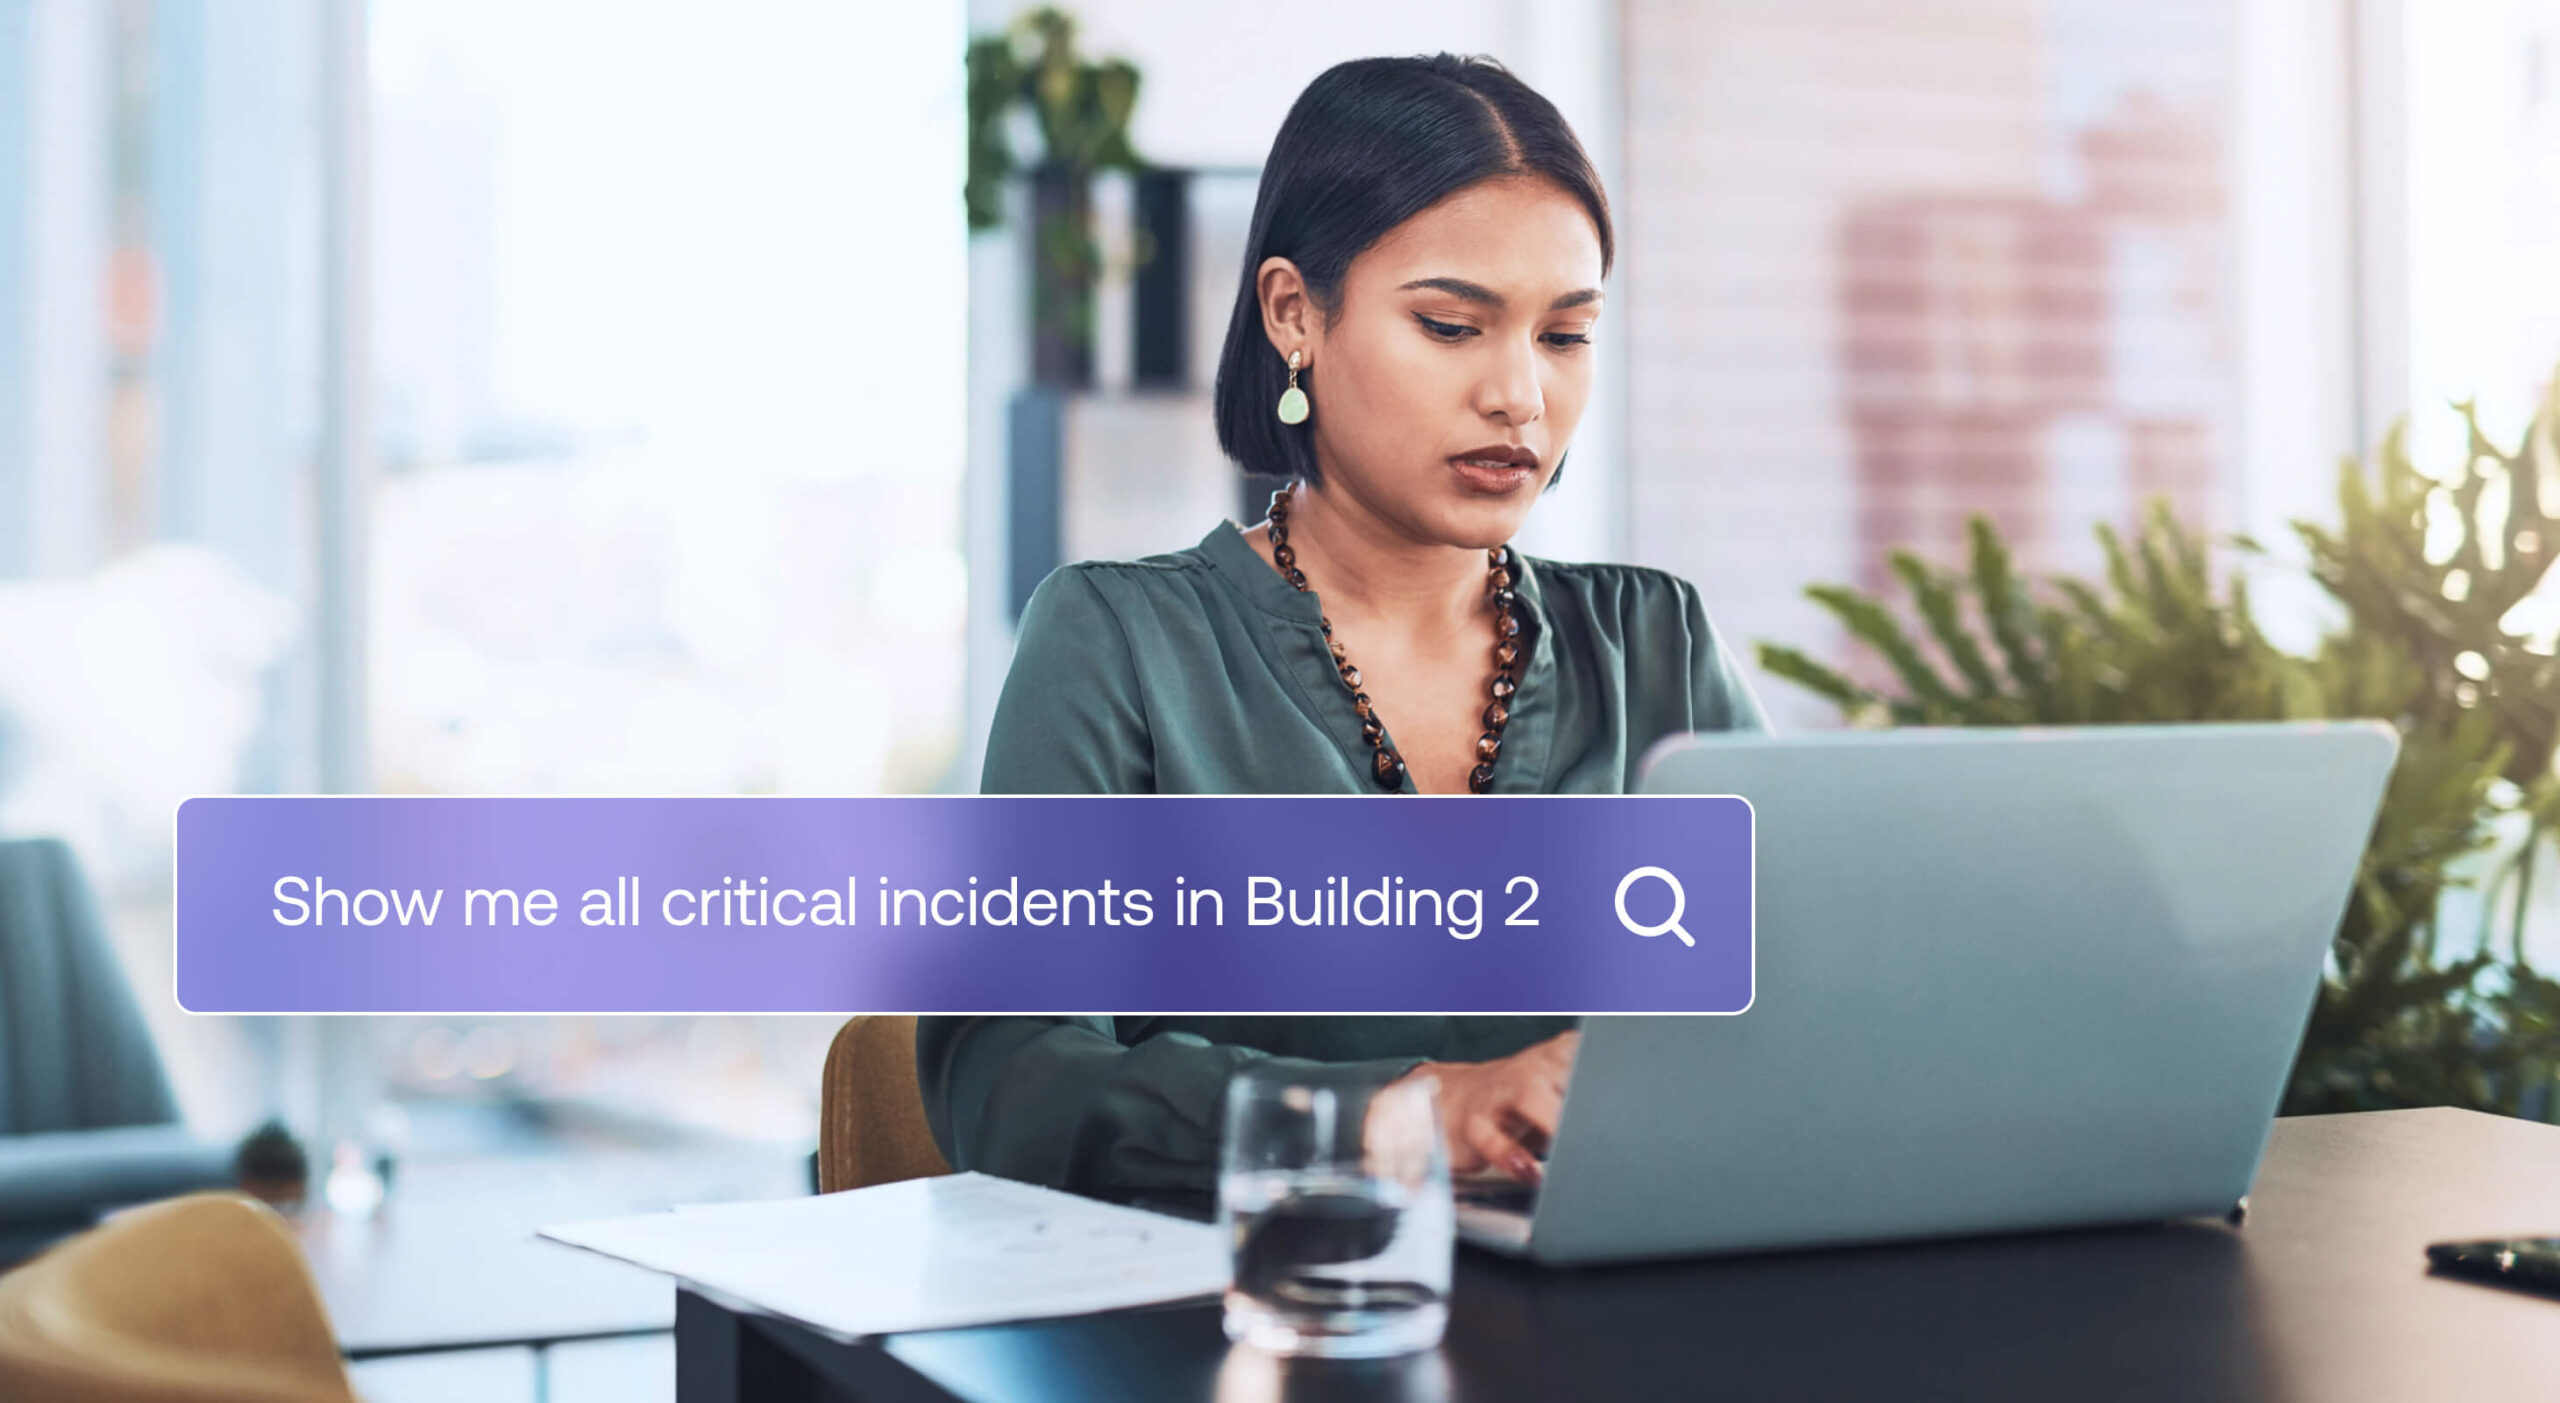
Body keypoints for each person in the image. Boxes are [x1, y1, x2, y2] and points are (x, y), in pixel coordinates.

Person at [920, 53, 1765, 1208]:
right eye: (1452, 324)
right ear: (1291, 314)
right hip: (1250, 1336)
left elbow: (1806, 1011)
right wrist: (1409, 1116)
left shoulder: (1653, 640)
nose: (1520, 395)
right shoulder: (1120, 641)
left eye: (1563, 337)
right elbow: (1008, 1077)